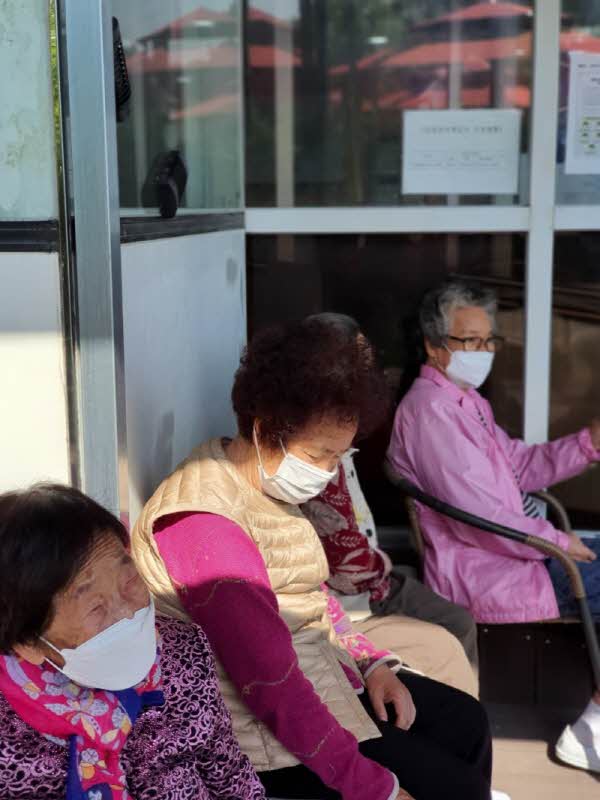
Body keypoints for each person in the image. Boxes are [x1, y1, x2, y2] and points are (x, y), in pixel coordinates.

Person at [131, 319, 494, 800]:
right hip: (262, 742)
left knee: (467, 722)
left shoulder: (257, 479)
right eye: (319, 454)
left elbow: (311, 594)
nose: (326, 472)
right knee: (457, 785)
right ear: (264, 427)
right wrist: (377, 789)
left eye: (339, 456)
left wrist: (371, 665)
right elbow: (274, 689)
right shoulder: (206, 527)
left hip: (320, 678)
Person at [387, 279, 600, 774]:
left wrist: (587, 444)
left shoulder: (463, 402)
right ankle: (592, 726)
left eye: (489, 341)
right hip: (485, 567)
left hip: (514, 554)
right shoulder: (431, 413)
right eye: (470, 341)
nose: (482, 352)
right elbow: (480, 520)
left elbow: (519, 467)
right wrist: (558, 542)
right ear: (434, 345)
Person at [0, 483, 265, 800]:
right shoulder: (8, 724)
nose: (128, 612)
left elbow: (229, 773)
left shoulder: (184, 649)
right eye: (95, 607)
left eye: (129, 581)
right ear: (28, 643)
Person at [301, 313, 478, 698]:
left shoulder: (338, 430)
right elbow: (347, 570)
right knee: (451, 631)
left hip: (363, 585)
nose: (370, 371)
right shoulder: (312, 449)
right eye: (358, 360)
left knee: (453, 622)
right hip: (350, 603)